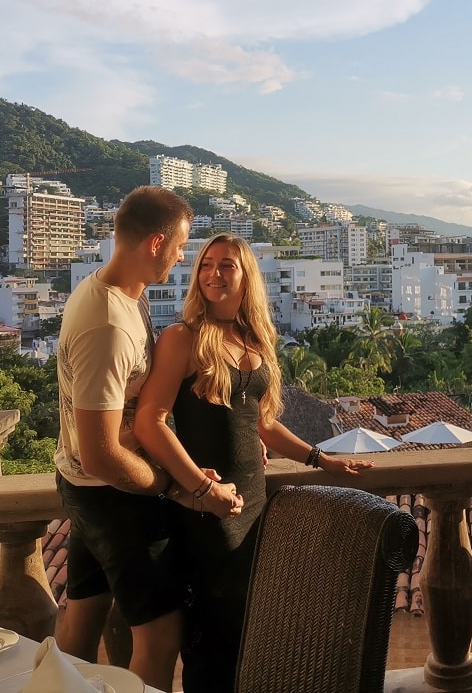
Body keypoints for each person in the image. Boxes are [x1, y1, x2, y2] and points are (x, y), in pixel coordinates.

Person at [134, 233, 374, 692]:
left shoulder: (254, 339)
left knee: (249, 624)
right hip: (206, 507)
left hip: (254, 501)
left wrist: (322, 460)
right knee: (213, 634)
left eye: (227, 266)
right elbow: (150, 421)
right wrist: (201, 491)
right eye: (206, 265)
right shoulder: (182, 338)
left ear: (247, 277)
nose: (213, 274)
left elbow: (261, 423)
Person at [53, 185, 218, 692]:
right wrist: (170, 486)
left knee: (82, 618)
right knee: (160, 635)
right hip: (113, 495)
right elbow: (102, 454)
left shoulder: (117, 294)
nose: (182, 257)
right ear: (155, 243)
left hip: (81, 486)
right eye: (180, 246)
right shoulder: (107, 324)